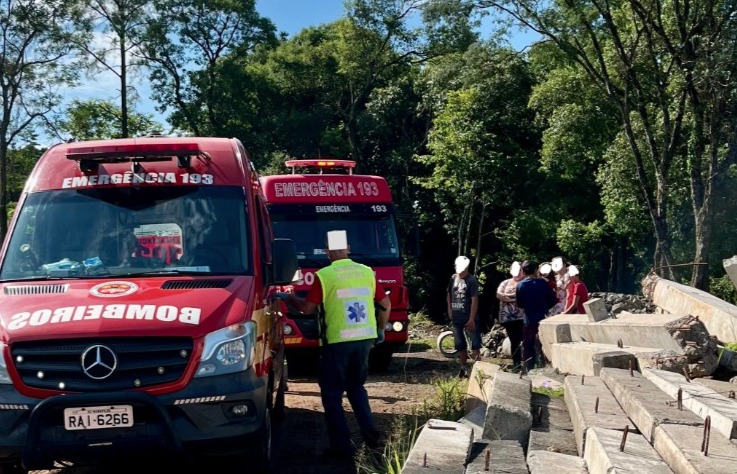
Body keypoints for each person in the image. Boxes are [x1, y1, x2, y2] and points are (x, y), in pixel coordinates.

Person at [273, 230, 391, 461]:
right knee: (357, 388)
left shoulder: (324, 275)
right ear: (348, 248)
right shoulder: (366, 272)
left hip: (337, 344)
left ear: (327, 252)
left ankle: (341, 448)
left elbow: (307, 308)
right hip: (364, 340)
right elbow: (385, 304)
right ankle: (371, 437)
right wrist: (379, 331)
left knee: (332, 394)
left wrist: (287, 298)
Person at [515, 260, 557, 371]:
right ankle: (547, 367)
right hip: (543, 318)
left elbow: (520, 304)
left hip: (529, 319)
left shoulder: (520, 285)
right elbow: (553, 300)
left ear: (523, 272)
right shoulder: (544, 283)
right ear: (535, 270)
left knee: (528, 346)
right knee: (544, 345)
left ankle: (530, 369)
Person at [446, 255, 481, 377]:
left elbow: (474, 300)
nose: (461, 273)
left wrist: (471, 319)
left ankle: (478, 371)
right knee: (460, 344)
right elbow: (449, 294)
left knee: (475, 344)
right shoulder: (453, 278)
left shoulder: (472, 281)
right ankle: (463, 369)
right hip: (456, 317)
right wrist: (450, 309)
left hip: (469, 317)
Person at [496, 261, 525, 368]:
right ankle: (516, 363)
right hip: (508, 318)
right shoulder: (505, 283)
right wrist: (512, 297)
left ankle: (526, 361)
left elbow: (521, 296)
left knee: (523, 338)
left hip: (522, 316)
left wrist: (508, 297)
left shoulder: (525, 282)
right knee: (514, 340)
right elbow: (499, 295)